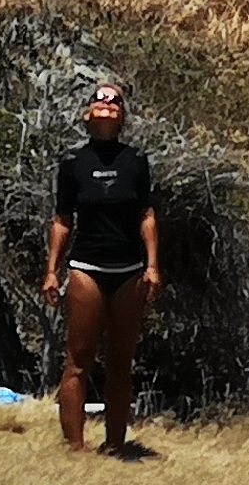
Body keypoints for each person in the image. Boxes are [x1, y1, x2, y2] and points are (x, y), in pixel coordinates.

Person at [41, 81, 160, 456]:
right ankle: (76, 447)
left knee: (121, 362)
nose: (107, 104)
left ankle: (115, 444)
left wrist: (153, 265)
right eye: (100, 99)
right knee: (78, 361)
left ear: (122, 115)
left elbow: (146, 214)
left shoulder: (135, 160)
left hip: (129, 270)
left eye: (115, 101)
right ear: (88, 113)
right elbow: (63, 219)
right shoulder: (73, 163)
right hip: (86, 268)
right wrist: (52, 271)